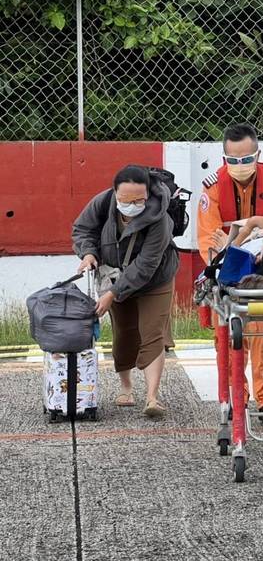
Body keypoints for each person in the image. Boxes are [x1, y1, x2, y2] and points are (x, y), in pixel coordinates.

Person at [197, 123, 263, 423]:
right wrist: (253, 232)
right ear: (224, 158)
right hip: (226, 272)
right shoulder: (212, 188)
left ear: (258, 154)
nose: (240, 166)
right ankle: (233, 397)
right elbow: (208, 243)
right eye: (233, 160)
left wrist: (238, 239)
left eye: (246, 159)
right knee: (226, 338)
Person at [72, 165, 179, 418]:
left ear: (148, 195)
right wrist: (88, 253)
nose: (132, 205)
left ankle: (152, 397)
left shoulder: (160, 218)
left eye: (139, 200)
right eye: (125, 200)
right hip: (114, 272)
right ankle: (126, 387)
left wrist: (112, 294)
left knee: (153, 332)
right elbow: (83, 229)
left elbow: (146, 265)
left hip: (156, 280)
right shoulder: (103, 202)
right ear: (115, 192)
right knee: (124, 333)